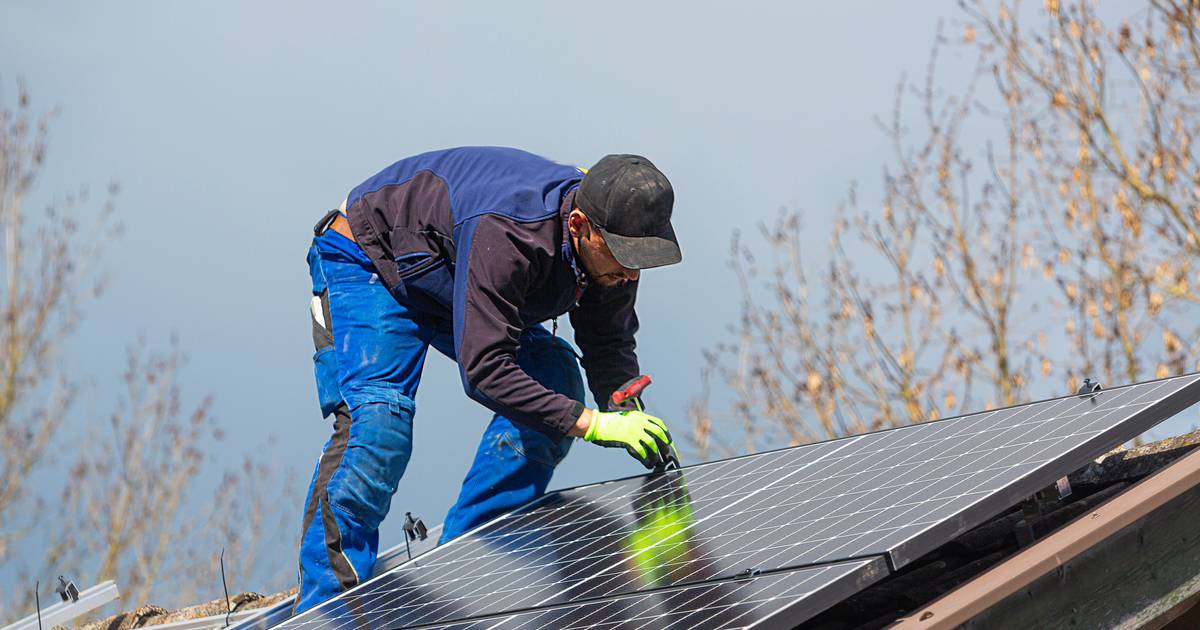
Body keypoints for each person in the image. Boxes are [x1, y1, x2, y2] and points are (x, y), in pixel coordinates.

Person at [295, 147, 682, 612]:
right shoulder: (512, 230)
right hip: (372, 259)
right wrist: (592, 425)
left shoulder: (616, 243)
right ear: (579, 226)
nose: (633, 271)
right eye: (625, 256)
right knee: (379, 427)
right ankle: (326, 611)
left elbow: (607, 343)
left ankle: (469, 552)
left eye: (644, 258)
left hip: (452, 272)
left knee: (556, 377)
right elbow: (485, 370)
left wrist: (624, 409)